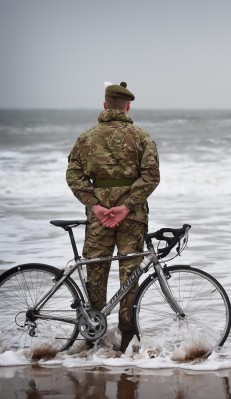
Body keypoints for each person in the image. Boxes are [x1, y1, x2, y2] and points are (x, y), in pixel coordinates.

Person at [66, 81, 160, 353]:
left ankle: (94, 335)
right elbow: (151, 175)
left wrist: (95, 205)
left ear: (105, 105)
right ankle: (126, 339)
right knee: (130, 275)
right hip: (131, 217)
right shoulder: (141, 137)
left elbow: (74, 175)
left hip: (98, 219)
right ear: (128, 106)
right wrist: (128, 206)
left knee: (96, 272)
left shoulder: (86, 137)